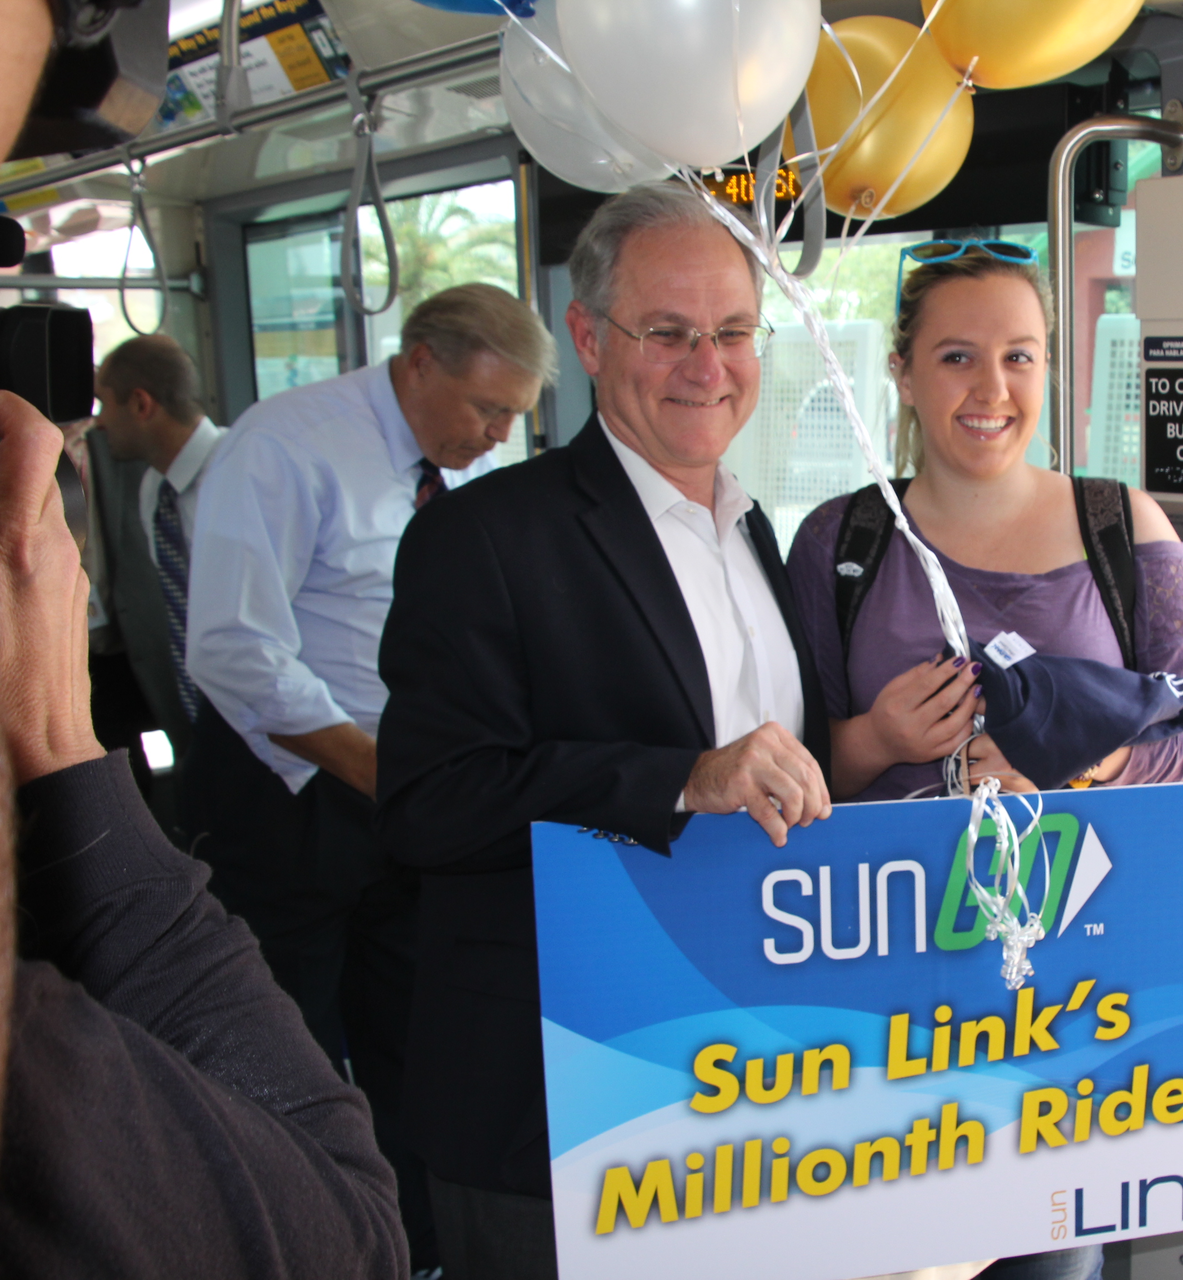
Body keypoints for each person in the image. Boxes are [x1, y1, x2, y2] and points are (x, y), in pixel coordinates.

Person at [375, 182, 831, 1279]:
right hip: (551, 1106)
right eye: (667, 332)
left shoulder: (756, 532)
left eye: (732, 332)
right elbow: (429, 804)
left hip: (739, 1091)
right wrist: (682, 779)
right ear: (587, 339)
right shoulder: (481, 536)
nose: (707, 366)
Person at [786, 243, 1183, 1280]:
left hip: (1070, 1001)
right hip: (874, 1006)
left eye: (1020, 356)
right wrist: (877, 741)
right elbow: (784, 768)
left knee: (1048, 1258)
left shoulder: (1120, 526)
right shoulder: (839, 541)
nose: (992, 389)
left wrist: (1079, 770)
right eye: (956, 356)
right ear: (902, 373)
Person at [184, 282, 554, 1273]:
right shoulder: (286, 445)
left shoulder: (460, 474)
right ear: (420, 360)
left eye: (514, 417)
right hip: (295, 792)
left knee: (415, 1033)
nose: (498, 435)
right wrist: (378, 769)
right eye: (488, 408)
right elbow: (231, 646)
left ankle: (416, 1247)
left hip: (412, 797)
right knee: (288, 1042)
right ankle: (305, 1245)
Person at [0, 389, 408, 1278]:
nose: (498, 431)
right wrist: (57, 738)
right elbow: (346, 1235)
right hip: (285, 784)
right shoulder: (38, 1060)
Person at [88, 334, 226, 770]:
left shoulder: (244, 472)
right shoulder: (154, 488)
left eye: (103, 404)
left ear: (140, 404)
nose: (98, 422)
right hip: (201, 727)